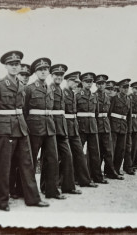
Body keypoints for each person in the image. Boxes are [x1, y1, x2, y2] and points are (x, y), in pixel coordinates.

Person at [0, 51, 49, 211]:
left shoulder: (22, 86)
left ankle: (33, 198)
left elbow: (23, 108)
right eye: (11, 65)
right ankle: (3, 200)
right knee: (4, 166)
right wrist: (2, 126)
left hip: (22, 128)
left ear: (20, 66)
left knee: (28, 164)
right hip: (5, 129)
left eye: (17, 65)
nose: (14, 67)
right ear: (6, 66)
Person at [24, 57, 66, 200]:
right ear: (35, 72)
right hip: (34, 128)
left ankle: (51, 191)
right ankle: (30, 193)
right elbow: (24, 111)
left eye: (45, 69)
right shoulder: (29, 88)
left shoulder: (50, 88)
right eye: (40, 69)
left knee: (52, 160)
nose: (43, 72)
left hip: (50, 127)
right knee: (31, 160)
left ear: (49, 72)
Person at [46, 64, 81, 194]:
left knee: (67, 156)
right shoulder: (49, 88)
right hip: (51, 126)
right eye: (56, 75)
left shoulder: (60, 90)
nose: (59, 77)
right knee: (51, 159)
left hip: (62, 127)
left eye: (61, 75)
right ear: (52, 75)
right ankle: (48, 187)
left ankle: (68, 186)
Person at [63, 71, 98, 187]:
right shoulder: (66, 94)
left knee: (80, 155)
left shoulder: (73, 94)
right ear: (67, 80)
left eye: (77, 81)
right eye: (74, 81)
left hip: (76, 126)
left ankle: (84, 180)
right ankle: (64, 180)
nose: (76, 83)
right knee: (66, 156)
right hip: (68, 127)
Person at [76, 72, 108, 184]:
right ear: (82, 82)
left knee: (95, 153)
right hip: (81, 127)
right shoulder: (77, 95)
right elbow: (74, 112)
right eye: (86, 81)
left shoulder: (94, 96)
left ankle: (97, 177)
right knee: (79, 153)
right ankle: (77, 178)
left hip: (93, 127)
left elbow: (97, 113)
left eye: (90, 82)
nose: (89, 84)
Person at [94, 75, 123, 180]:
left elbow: (109, 113)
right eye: (99, 83)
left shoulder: (108, 98)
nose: (101, 85)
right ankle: (95, 174)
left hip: (106, 126)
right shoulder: (93, 96)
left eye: (103, 83)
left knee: (108, 150)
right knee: (96, 151)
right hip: (96, 126)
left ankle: (111, 172)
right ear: (96, 85)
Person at [9, 63, 31, 199]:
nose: (25, 77)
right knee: (10, 160)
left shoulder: (26, 89)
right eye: (22, 74)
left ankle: (20, 188)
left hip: (24, 128)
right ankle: (11, 189)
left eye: (27, 75)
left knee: (22, 161)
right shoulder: (10, 87)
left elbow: (27, 111)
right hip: (10, 128)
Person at [108, 79, 132, 175]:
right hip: (113, 126)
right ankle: (110, 170)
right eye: (124, 87)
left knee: (121, 150)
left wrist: (129, 129)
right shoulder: (114, 98)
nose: (126, 89)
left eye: (127, 87)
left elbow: (129, 116)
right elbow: (109, 114)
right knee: (112, 149)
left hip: (123, 127)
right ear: (120, 88)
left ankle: (117, 169)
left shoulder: (128, 99)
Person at [123, 81, 137, 175]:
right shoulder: (129, 97)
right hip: (128, 124)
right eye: (136, 89)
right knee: (128, 147)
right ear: (132, 89)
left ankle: (132, 164)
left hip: (134, 124)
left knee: (134, 146)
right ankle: (127, 166)